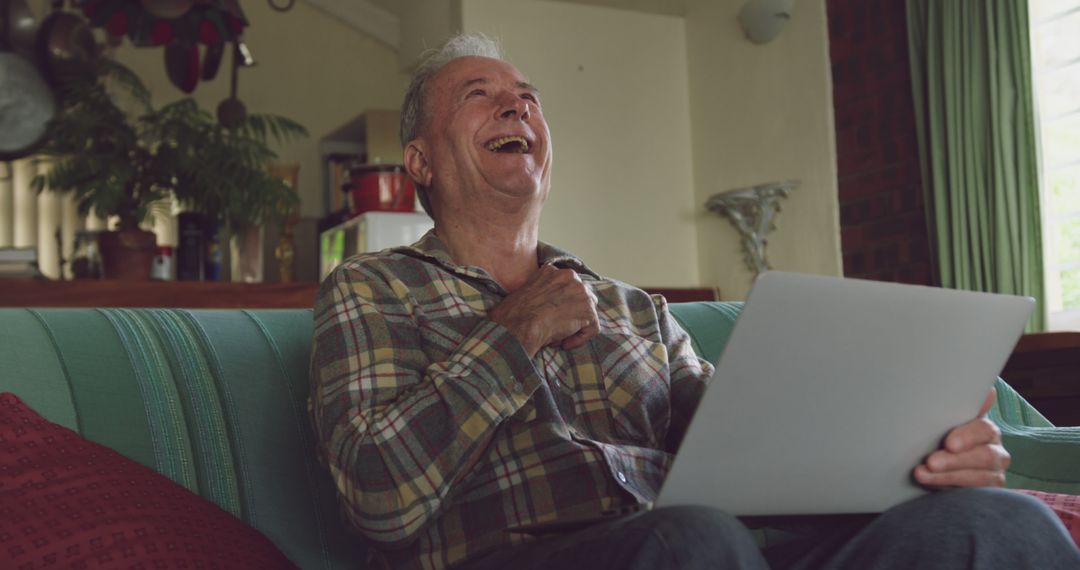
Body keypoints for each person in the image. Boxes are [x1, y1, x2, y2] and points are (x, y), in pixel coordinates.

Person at [309, 34, 1080, 570]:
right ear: (419, 161)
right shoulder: (372, 289)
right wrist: (518, 328)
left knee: (997, 523)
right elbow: (380, 499)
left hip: (713, 550)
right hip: (534, 557)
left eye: (529, 99)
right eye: (482, 97)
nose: (517, 109)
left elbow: (750, 457)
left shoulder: (639, 310)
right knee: (690, 545)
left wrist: (915, 462)